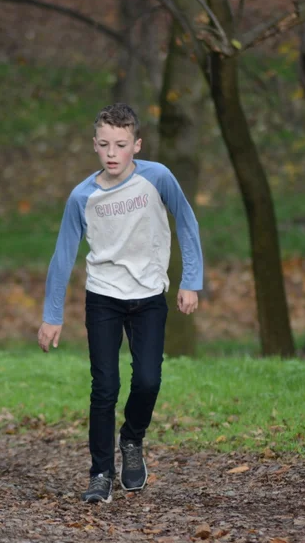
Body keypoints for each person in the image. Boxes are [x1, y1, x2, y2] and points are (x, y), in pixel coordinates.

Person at [38, 103, 204, 504]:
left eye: (121, 145)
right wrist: (52, 315)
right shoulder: (82, 196)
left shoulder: (157, 177)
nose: (112, 153)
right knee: (104, 388)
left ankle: (132, 439)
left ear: (137, 145)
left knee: (148, 380)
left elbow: (185, 220)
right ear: (94, 145)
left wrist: (191, 281)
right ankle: (100, 473)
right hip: (103, 297)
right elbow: (63, 255)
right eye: (104, 145)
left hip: (148, 295)